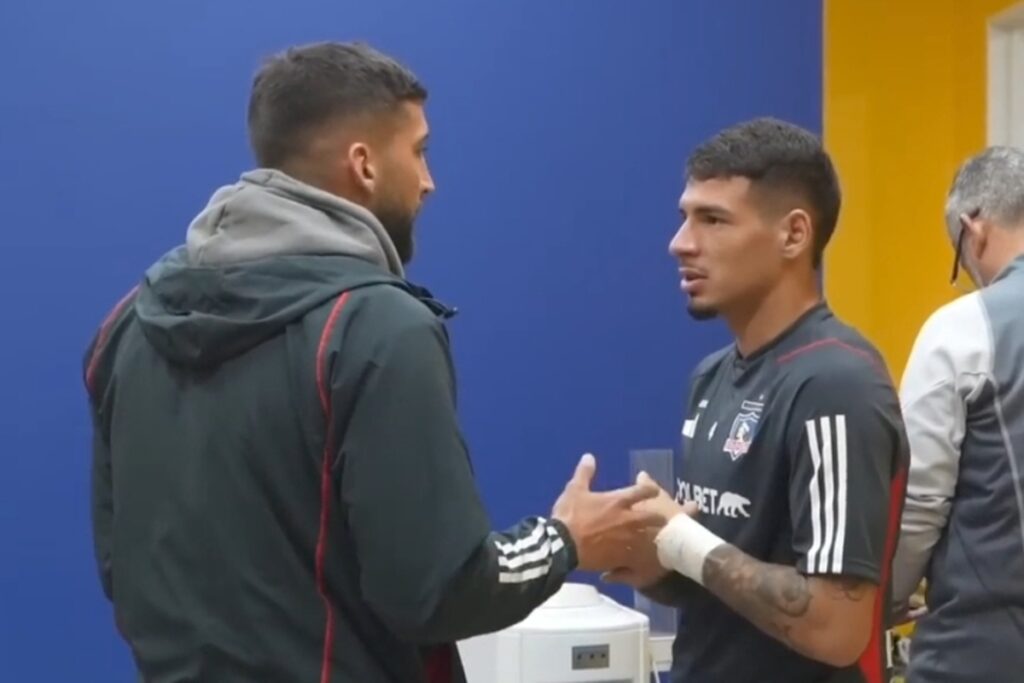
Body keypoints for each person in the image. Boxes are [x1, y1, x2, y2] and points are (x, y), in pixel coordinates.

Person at [82, 41, 661, 683]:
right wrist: (566, 538)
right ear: (363, 164)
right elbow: (438, 590)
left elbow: (121, 566)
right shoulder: (379, 328)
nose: (429, 180)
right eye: (418, 151)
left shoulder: (127, 323)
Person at [605, 118, 910, 683]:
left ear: (794, 235)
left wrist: (678, 537)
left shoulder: (835, 383)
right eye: (684, 218)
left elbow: (836, 628)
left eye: (713, 219)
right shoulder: (711, 376)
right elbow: (721, 574)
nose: (681, 243)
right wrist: (641, 554)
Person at [891, 146, 1024, 683]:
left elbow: (919, 500)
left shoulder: (963, 329)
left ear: (973, 228)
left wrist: (882, 602)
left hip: (983, 651)